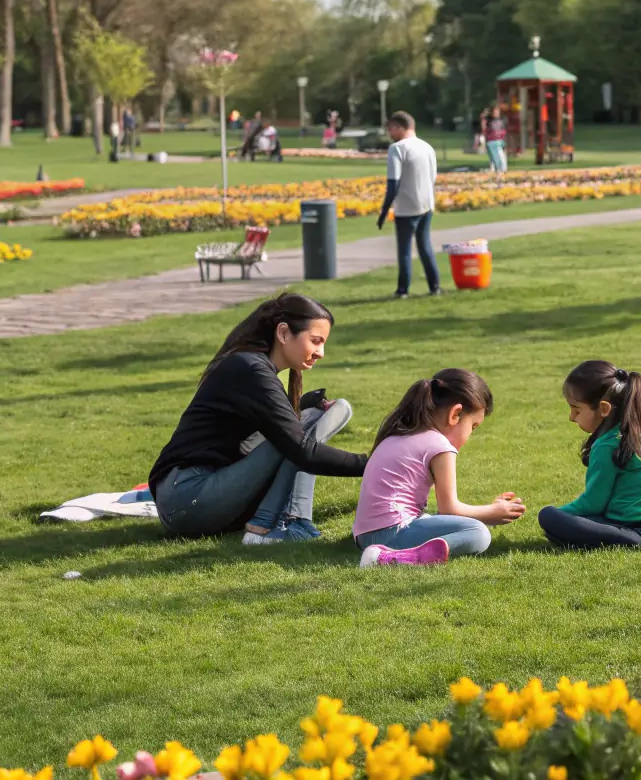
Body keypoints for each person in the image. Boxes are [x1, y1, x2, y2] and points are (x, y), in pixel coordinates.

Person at [149, 294, 367, 544]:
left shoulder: (257, 367)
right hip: (189, 496)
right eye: (315, 341)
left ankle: (276, 521)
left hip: (194, 498)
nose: (321, 352)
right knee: (303, 434)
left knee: (324, 414)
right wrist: (371, 464)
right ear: (283, 333)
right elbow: (300, 450)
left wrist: (308, 406)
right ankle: (280, 524)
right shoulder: (251, 368)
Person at [354, 369, 525, 567]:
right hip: (392, 534)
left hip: (364, 536)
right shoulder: (440, 446)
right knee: (478, 533)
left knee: (452, 523)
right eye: (473, 426)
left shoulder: (399, 434)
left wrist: (490, 511)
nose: (471, 435)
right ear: (456, 414)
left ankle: (390, 552)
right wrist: (491, 513)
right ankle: (393, 558)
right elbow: (449, 509)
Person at [538, 360, 641, 550]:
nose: (571, 417)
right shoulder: (637, 434)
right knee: (566, 521)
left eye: (576, 409)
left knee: (548, 516)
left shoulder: (607, 445)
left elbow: (593, 504)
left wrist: (561, 514)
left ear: (604, 409)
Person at [378, 111, 441, 298]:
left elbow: (393, 183)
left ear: (399, 127)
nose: (389, 133)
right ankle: (434, 286)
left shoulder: (397, 149)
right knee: (425, 246)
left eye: (390, 129)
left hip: (406, 206)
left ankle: (402, 289)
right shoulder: (427, 147)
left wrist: (383, 212)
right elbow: (433, 177)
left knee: (404, 249)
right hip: (426, 203)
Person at [481, 102, 508, 174]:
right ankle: (497, 169)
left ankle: (502, 169)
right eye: (495, 112)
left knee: (501, 154)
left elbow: (504, 129)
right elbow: (483, 124)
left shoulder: (502, 119)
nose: (496, 113)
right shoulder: (489, 119)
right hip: (491, 140)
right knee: (494, 156)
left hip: (500, 140)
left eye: (497, 112)